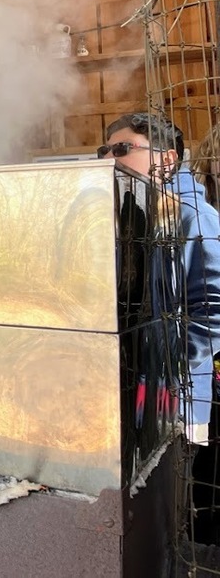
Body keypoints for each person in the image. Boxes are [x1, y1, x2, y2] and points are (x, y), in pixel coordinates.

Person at [101, 113, 220, 445]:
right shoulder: (132, 211)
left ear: (167, 159)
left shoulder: (193, 215)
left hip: (179, 398)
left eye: (122, 148)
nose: (110, 159)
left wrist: (172, 362)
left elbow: (215, 308)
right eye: (105, 151)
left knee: (170, 489)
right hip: (134, 386)